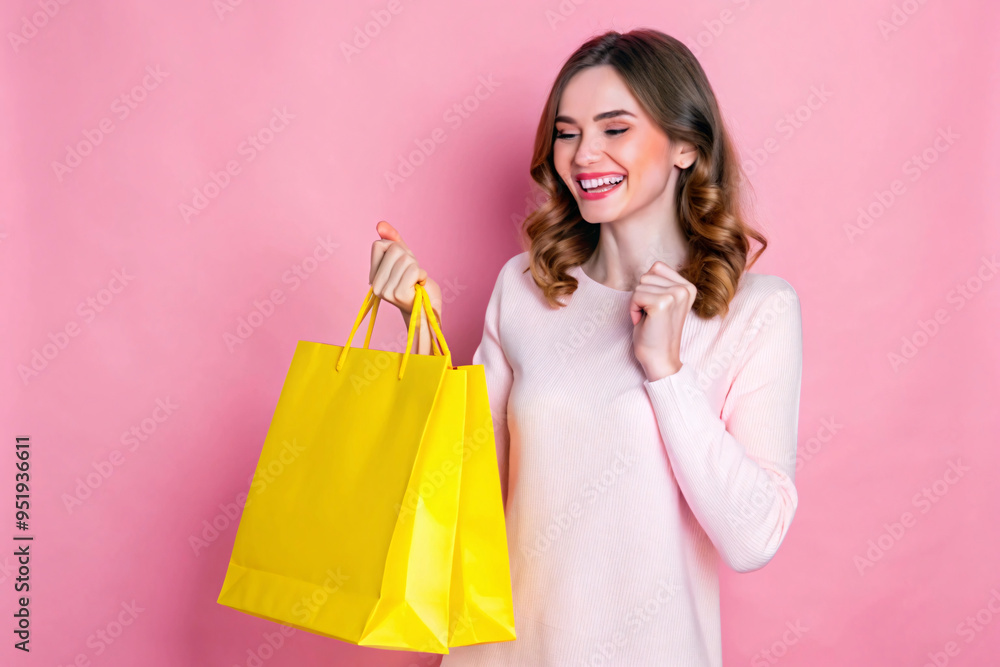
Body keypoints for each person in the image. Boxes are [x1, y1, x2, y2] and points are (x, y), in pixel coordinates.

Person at [368, 27, 803, 667]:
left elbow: (752, 539)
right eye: (567, 133)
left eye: (615, 128)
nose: (583, 155)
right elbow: (464, 489)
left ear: (685, 145)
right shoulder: (523, 288)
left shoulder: (756, 310)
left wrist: (666, 372)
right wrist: (420, 329)